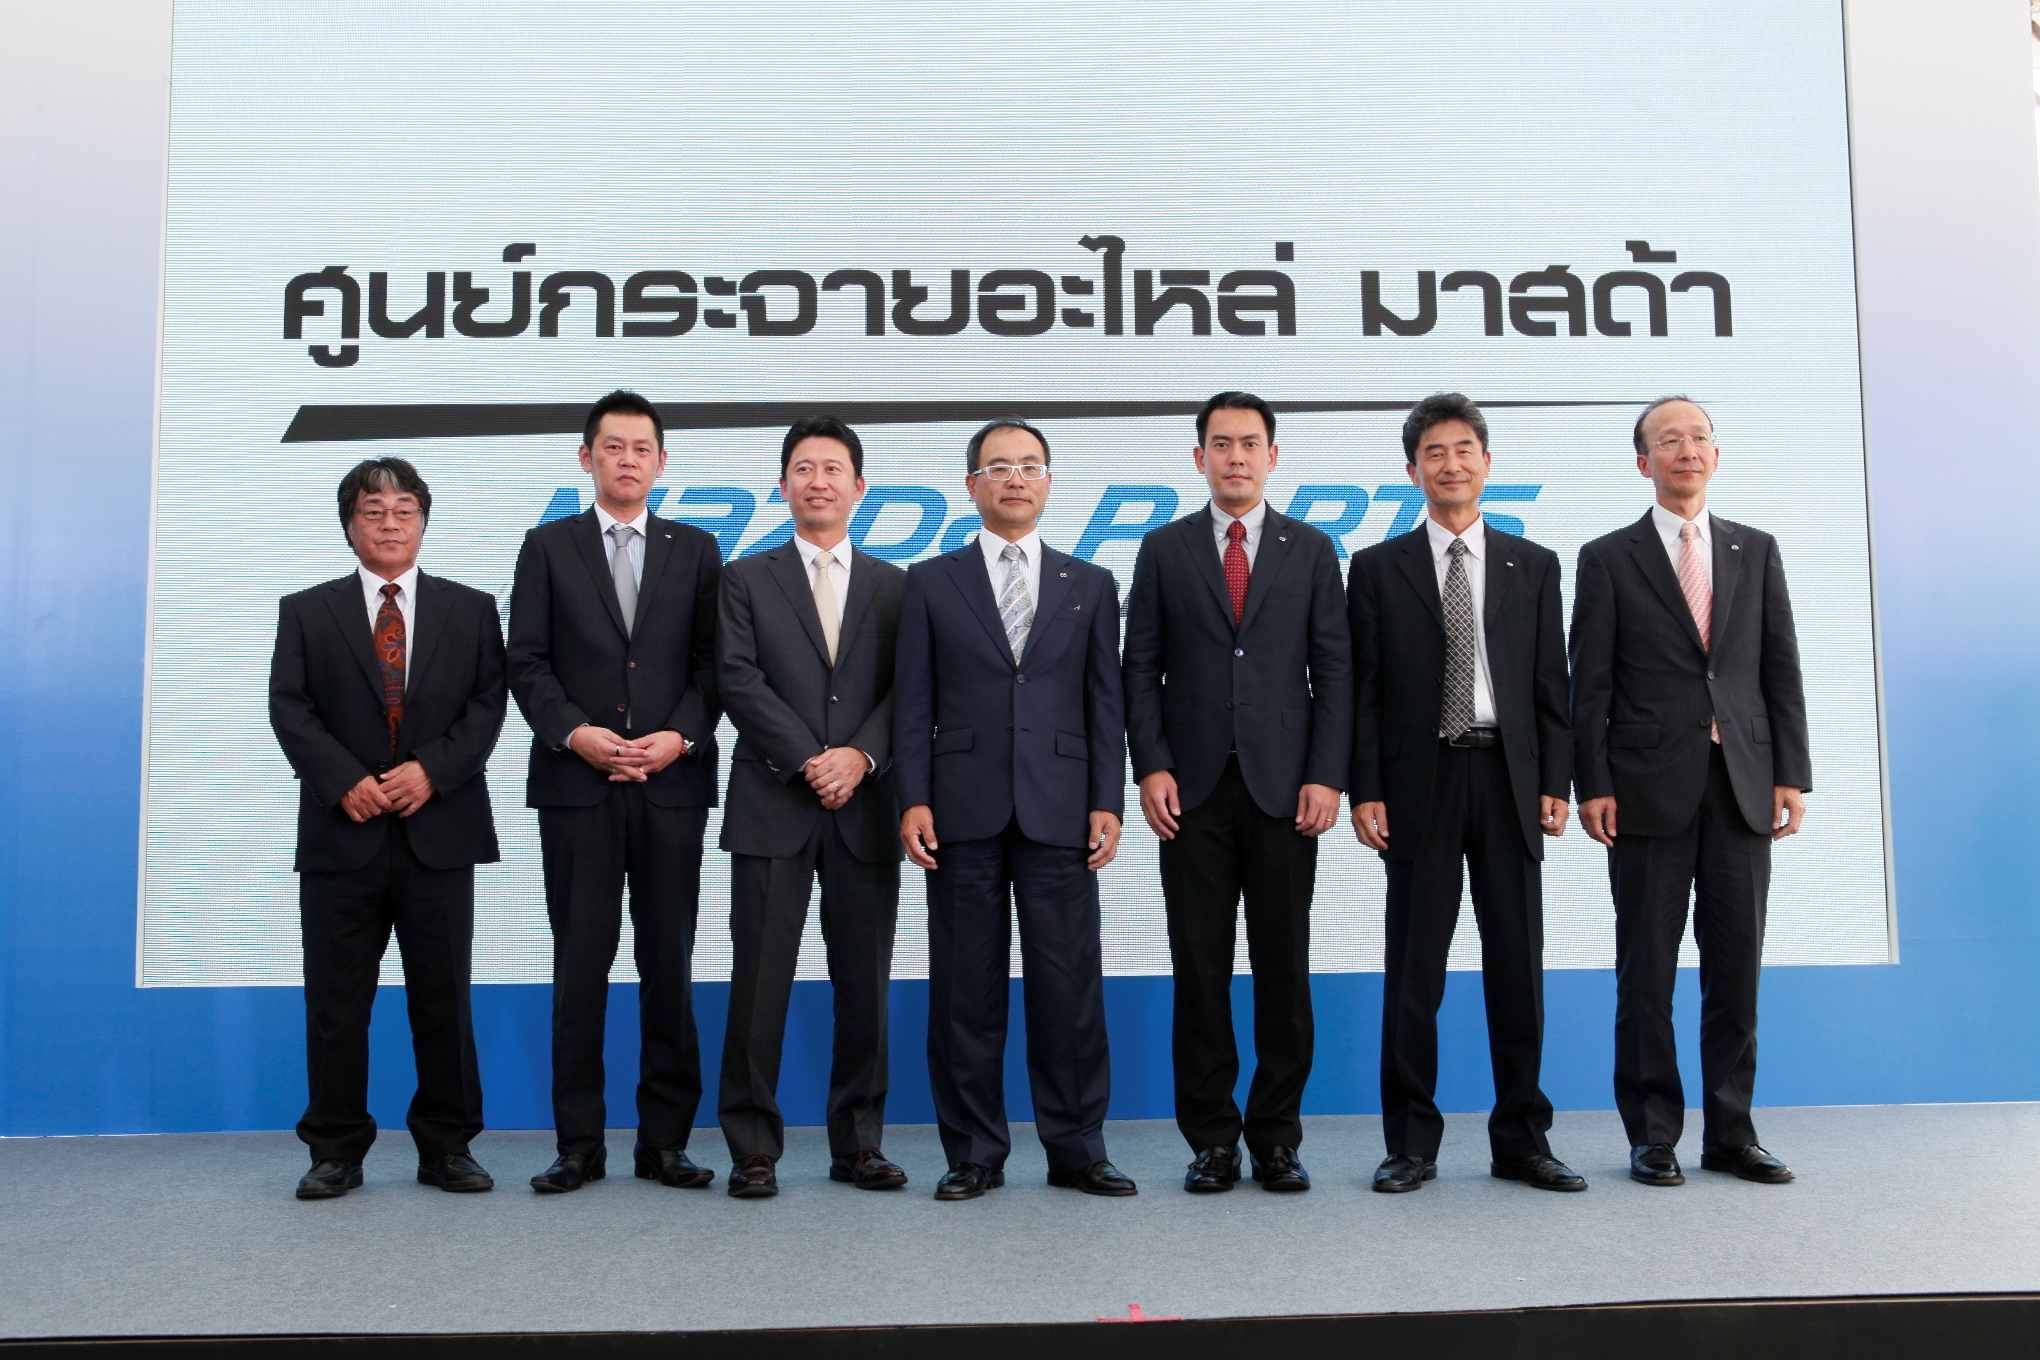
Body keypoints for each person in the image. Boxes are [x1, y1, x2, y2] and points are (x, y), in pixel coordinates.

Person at [1570, 396, 1810, 1188]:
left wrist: (1789, 772)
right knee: (1647, 972)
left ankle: (1732, 1134)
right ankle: (1652, 1135)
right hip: (1644, 789)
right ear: (1644, 462)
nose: (1687, 449)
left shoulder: (1755, 548)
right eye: (1668, 440)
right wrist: (1592, 782)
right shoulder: (1609, 557)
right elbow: (1589, 683)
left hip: (1741, 784)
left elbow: (1779, 667)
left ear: (1716, 453)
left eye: (1699, 436)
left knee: (1735, 968)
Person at [1347, 393, 1583, 1194]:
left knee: (1518, 969)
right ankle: (1411, 1143)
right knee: (1415, 973)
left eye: (1463, 450)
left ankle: (1522, 1140)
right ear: (1412, 469)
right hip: (1420, 784)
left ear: (1487, 462)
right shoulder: (1376, 568)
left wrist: (1556, 781)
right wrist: (1366, 788)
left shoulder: (1533, 564)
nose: (1450, 464)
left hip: (1510, 782)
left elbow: (1552, 686)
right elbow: (1364, 692)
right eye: (1434, 453)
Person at [893, 418, 1132, 1200]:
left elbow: (1106, 704)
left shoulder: (1089, 583)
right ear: (973, 486)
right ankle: (973, 1152)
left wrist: (1107, 799)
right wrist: (913, 797)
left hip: (1061, 809)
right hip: (959, 809)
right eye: (999, 467)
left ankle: (1078, 1150)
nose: (1015, 478)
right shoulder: (930, 581)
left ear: (1049, 482)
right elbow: (912, 702)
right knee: (966, 989)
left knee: (1069, 989)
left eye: (1029, 465)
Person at [1122, 391, 1351, 1194]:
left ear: (1272, 456)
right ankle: (1212, 1141)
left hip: (1287, 792)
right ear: (1200, 458)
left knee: (1284, 971)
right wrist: (1150, 765)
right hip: (1190, 793)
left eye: (1250, 443)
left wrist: (1326, 773)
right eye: (1221, 444)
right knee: (1201, 971)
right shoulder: (1163, 548)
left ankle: (1278, 1139)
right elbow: (1139, 669)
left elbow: (1335, 671)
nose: (1236, 457)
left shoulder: (1311, 549)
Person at [269, 458, 508, 1200]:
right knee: (337, 1003)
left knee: (444, 998)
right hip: (342, 836)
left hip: (440, 832)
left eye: (405, 509)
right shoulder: (306, 611)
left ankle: (448, 1147)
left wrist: (431, 771)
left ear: (424, 522)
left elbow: (488, 706)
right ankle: (334, 1149)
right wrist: (345, 781)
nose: (390, 523)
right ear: (350, 525)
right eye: (373, 511)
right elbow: (289, 707)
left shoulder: (472, 609)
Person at [507, 389, 722, 1193]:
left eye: (641, 449)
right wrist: (577, 734)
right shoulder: (547, 546)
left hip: (671, 787)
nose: (627, 460)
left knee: (669, 965)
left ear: (662, 462)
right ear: (586, 457)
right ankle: (579, 1144)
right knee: (580, 966)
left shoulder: (697, 549)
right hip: (578, 787)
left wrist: (678, 737)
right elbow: (525, 661)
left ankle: (665, 1143)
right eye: (612, 447)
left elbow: (715, 665)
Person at [714, 416, 908, 1199]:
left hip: (866, 807)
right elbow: (737, 678)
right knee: (759, 982)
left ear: (859, 487)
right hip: (773, 801)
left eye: (832, 468)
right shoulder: (744, 578)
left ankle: (859, 1144)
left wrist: (859, 757)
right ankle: (752, 1148)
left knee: (865, 985)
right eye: (803, 468)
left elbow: (910, 689)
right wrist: (808, 758)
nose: (817, 481)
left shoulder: (898, 586)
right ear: (783, 485)